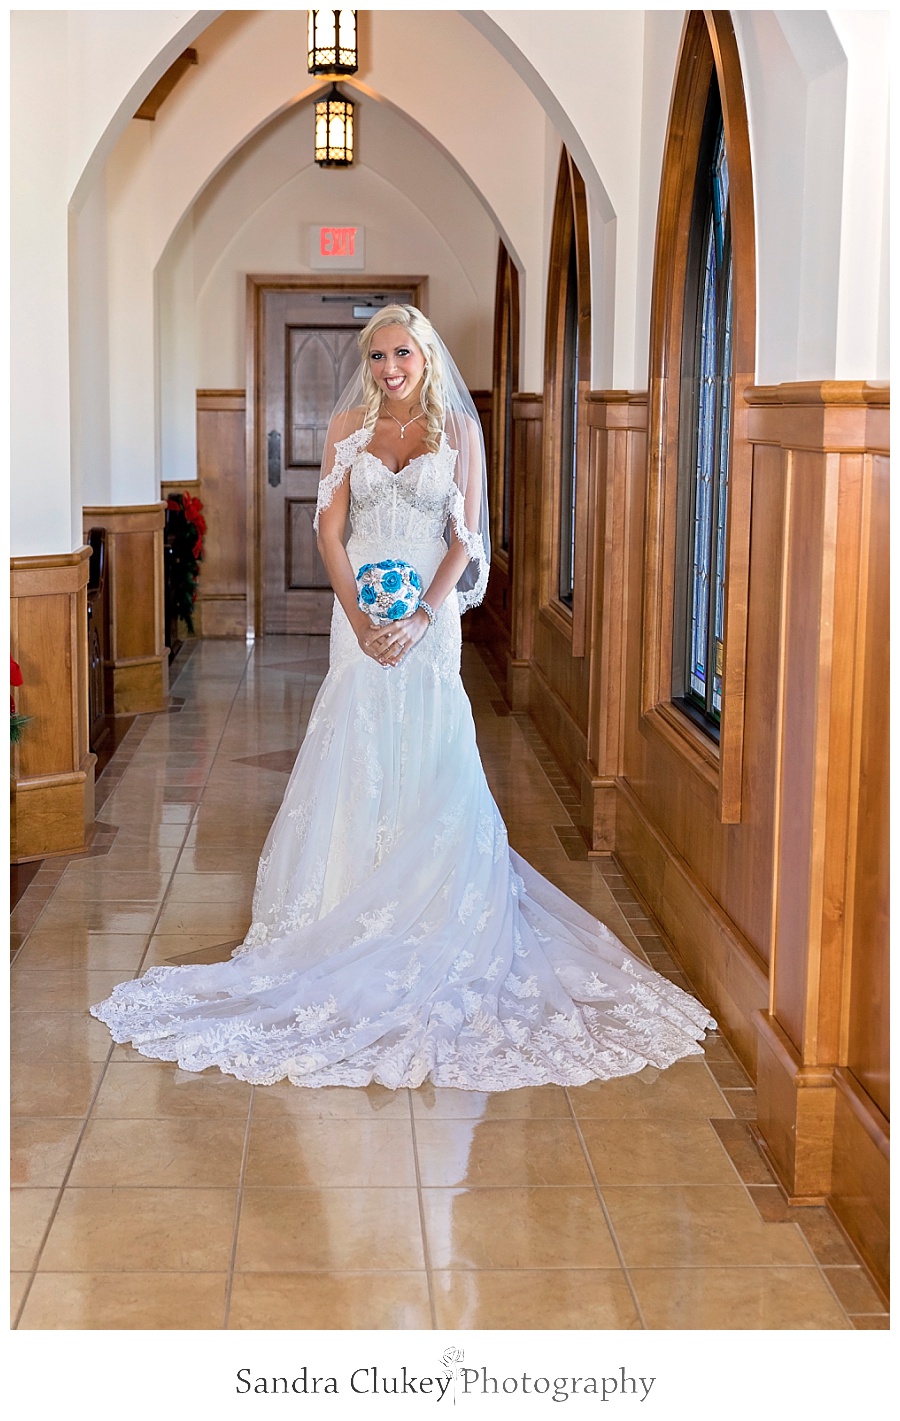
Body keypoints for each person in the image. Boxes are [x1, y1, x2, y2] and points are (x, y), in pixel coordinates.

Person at [91, 305, 714, 1089]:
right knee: (353, 740)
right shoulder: (349, 422)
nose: (390, 368)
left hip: (431, 618)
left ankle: (430, 905)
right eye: (379, 354)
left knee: (432, 745)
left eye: (403, 355)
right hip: (357, 617)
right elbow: (328, 526)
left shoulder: (458, 429)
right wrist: (356, 615)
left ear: (426, 358)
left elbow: (467, 538)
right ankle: (345, 897)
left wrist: (423, 613)